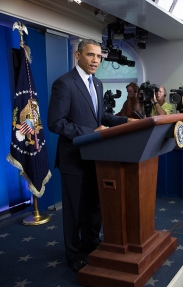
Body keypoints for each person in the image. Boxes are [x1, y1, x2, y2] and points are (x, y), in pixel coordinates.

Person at [47, 39, 136, 272]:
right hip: (73, 159)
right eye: (90, 55)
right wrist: (90, 133)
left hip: (96, 157)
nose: (96, 60)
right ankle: (73, 255)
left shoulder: (97, 84)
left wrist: (128, 121)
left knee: (94, 205)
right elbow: (55, 123)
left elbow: (101, 116)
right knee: (74, 212)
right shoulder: (64, 83)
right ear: (78, 56)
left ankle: (91, 243)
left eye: (99, 56)